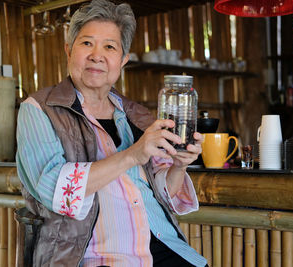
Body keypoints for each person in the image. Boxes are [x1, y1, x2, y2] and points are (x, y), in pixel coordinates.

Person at [15, 0, 207, 266]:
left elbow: (165, 193)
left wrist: (178, 166)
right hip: (94, 256)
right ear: (68, 50)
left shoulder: (135, 114)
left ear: (122, 60)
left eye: (109, 46)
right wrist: (132, 155)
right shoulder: (39, 109)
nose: (97, 55)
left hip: (164, 246)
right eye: (86, 43)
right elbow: (53, 189)